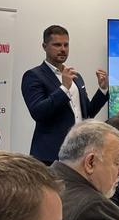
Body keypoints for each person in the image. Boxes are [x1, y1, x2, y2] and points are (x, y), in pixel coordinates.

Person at [21, 24, 109, 164]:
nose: (63, 49)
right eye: (57, 45)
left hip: (78, 154)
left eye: (66, 45)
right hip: (50, 156)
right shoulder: (34, 76)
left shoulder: (75, 76)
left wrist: (102, 90)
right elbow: (38, 112)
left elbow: (87, 113)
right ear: (44, 46)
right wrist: (64, 89)